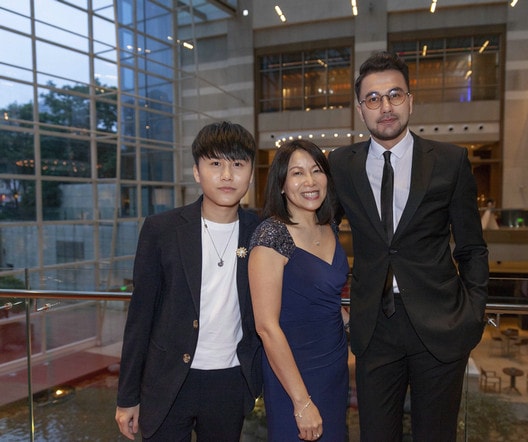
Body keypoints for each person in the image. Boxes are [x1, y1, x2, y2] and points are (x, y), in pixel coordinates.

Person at [329, 51, 489, 441]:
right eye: (373, 98)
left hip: (441, 324)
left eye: (394, 95)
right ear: (360, 110)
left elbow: (472, 247)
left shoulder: (450, 161)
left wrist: (472, 315)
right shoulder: (341, 164)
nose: (385, 107)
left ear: (410, 101)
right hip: (374, 329)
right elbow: (320, 230)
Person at [115, 121, 263, 441]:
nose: (227, 175)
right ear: (197, 172)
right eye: (215, 164)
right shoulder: (162, 229)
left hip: (230, 381)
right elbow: (140, 317)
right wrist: (127, 397)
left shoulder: (262, 230)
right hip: (168, 381)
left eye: (238, 164)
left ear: (251, 173)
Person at [249, 139, 350, 441]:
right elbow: (266, 327)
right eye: (297, 173)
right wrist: (302, 402)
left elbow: (324, 300)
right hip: (293, 375)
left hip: (334, 367)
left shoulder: (329, 227)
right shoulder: (271, 235)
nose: (310, 181)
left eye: (316, 170)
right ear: (281, 184)